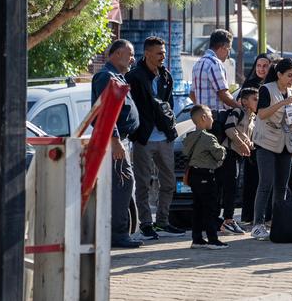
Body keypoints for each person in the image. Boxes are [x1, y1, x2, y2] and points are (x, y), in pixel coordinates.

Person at [125, 36, 184, 240]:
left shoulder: (166, 76)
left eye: (164, 53)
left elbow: (168, 105)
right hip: (144, 137)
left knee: (168, 182)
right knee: (143, 183)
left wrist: (170, 128)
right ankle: (146, 224)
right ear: (147, 53)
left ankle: (162, 222)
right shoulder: (135, 76)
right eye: (159, 53)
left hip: (164, 137)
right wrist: (136, 131)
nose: (163, 57)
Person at [91, 40, 142, 249]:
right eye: (130, 54)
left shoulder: (118, 77)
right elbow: (104, 113)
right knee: (123, 185)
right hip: (114, 142)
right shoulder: (106, 77)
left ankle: (122, 232)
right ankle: (118, 235)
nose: (133, 59)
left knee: (124, 186)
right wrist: (115, 139)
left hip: (121, 141)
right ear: (118, 53)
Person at [251, 58, 292, 240]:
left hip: (285, 143)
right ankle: (258, 224)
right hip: (266, 142)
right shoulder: (267, 89)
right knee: (266, 183)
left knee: (282, 185)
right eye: (289, 75)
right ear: (279, 74)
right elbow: (261, 113)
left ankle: (279, 222)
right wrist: (284, 103)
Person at [183, 105, 229, 249]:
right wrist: (223, 149)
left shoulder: (189, 136)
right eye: (210, 116)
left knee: (197, 207)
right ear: (203, 118)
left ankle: (197, 239)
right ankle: (213, 240)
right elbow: (219, 154)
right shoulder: (208, 138)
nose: (213, 119)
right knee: (210, 208)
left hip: (194, 175)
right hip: (205, 175)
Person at [239, 53, 276, 224]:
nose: (261, 69)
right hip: (252, 137)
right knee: (253, 178)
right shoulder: (249, 85)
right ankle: (250, 216)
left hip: (270, 137)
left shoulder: (273, 86)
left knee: (268, 179)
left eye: (265, 65)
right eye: (258, 65)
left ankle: (268, 216)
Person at [217, 87, 259, 235]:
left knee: (232, 187)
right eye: (255, 99)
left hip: (238, 156)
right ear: (244, 101)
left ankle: (225, 220)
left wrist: (250, 144)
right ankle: (227, 220)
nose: (258, 101)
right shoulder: (238, 111)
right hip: (228, 154)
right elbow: (229, 128)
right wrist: (241, 143)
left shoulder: (252, 117)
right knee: (229, 187)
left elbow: (247, 135)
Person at [190, 29, 240, 110]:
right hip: (215, 117)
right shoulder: (215, 63)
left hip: (203, 118)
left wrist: (202, 111)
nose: (228, 55)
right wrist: (240, 108)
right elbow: (223, 94)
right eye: (229, 49)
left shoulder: (198, 63)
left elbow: (192, 94)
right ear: (223, 48)